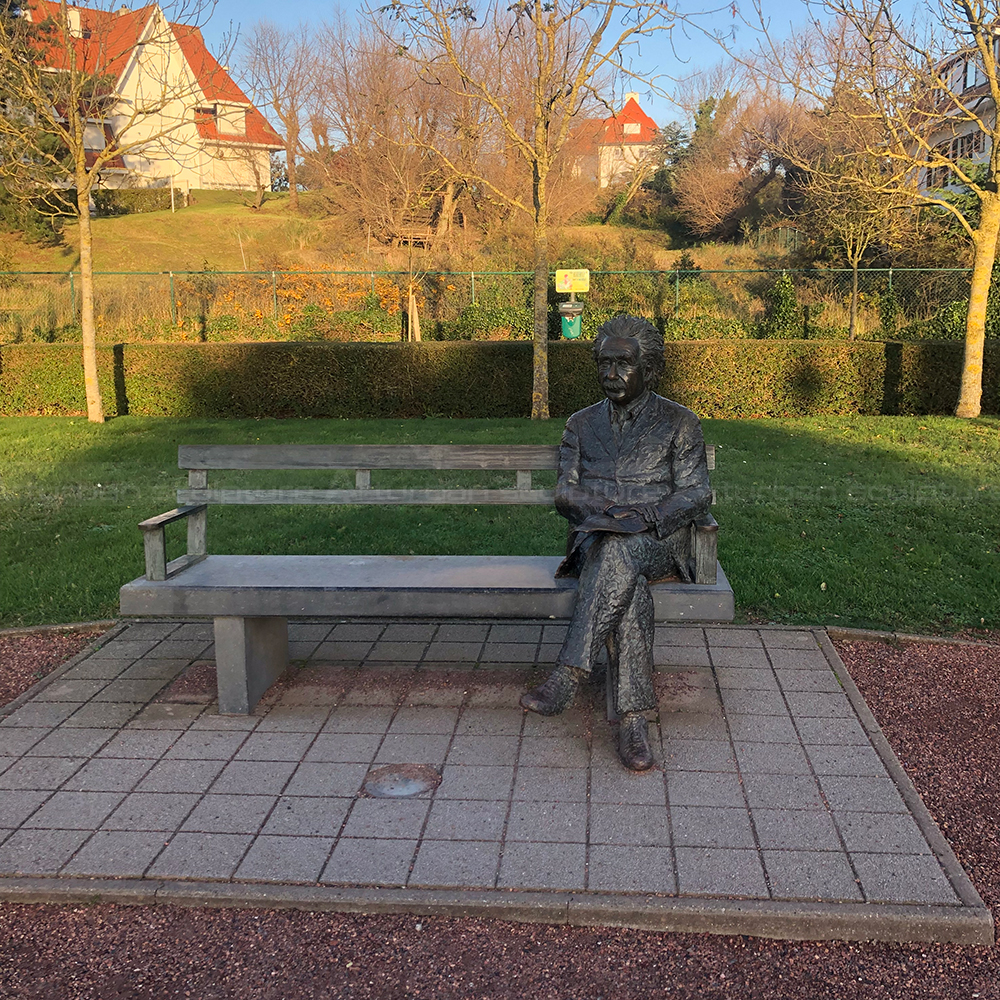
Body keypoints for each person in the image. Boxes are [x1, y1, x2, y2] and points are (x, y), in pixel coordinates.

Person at [520, 315, 712, 770]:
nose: (611, 375)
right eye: (604, 364)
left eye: (623, 364)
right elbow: (565, 492)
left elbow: (696, 491)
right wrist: (604, 515)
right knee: (618, 566)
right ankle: (632, 720)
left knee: (620, 553)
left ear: (650, 369)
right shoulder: (581, 424)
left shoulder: (679, 422)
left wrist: (650, 513)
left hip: (658, 538)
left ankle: (569, 674)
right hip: (597, 535)